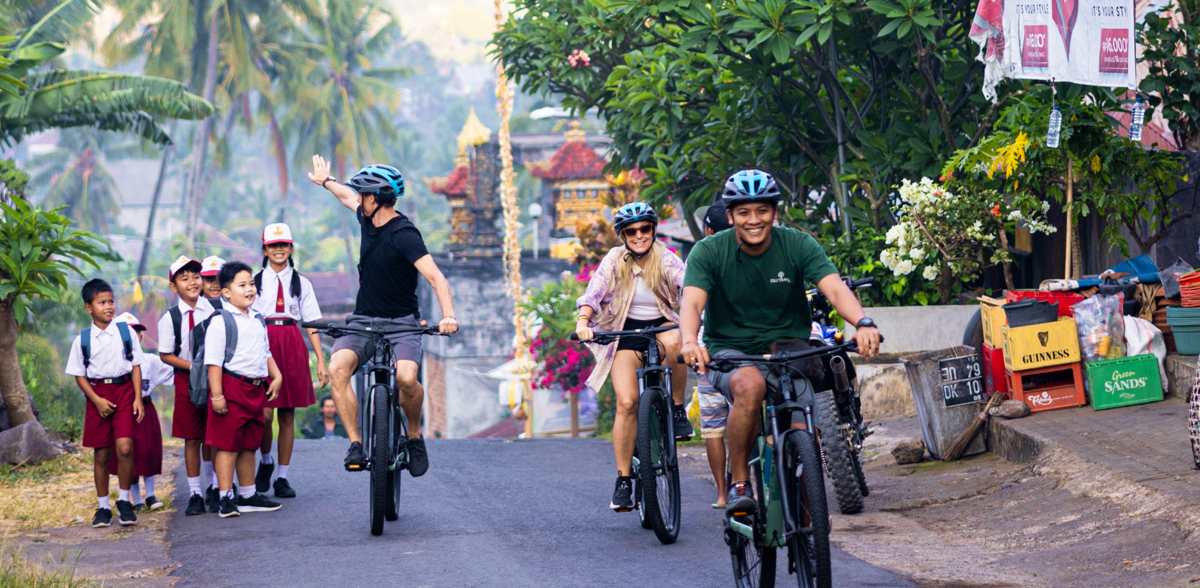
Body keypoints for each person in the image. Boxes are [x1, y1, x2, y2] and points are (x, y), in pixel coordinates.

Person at [678, 169, 881, 514]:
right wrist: (687, 341)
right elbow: (692, 302)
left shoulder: (798, 244)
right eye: (743, 212)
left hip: (788, 349)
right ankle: (741, 483)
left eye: (762, 211)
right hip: (731, 351)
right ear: (730, 216)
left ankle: (804, 507)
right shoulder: (708, 251)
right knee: (750, 384)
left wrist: (862, 322)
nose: (753, 220)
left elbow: (833, 287)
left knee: (802, 417)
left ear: (775, 212)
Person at [306, 156, 458, 476]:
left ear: (375, 198)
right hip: (363, 320)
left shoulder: (405, 235)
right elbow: (346, 196)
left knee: (405, 378)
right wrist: (326, 180)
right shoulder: (366, 215)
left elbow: (436, 278)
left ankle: (414, 438)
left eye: (363, 194)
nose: (358, 199)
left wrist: (448, 316)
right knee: (337, 368)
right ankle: (356, 443)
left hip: (402, 323)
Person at [574, 202, 689, 512]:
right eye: (631, 231)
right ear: (623, 235)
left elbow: (688, 284)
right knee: (626, 403)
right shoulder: (614, 260)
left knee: (678, 341)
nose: (639, 235)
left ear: (652, 230)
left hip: (663, 325)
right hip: (624, 332)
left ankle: (677, 410)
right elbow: (593, 293)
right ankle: (624, 479)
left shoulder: (665, 258)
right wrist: (583, 321)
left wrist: (699, 310)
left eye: (645, 229)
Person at [250, 222, 330, 498]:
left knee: (287, 414)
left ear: (291, 247)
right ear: (264, 249)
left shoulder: (302, 282)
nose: (278, 249)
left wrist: (320, 360)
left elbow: (311, 323)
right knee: (263, 412)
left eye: (283, 244)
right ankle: (266, 461)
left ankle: (282, 477)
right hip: (262, 342)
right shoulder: (253, 281)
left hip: (292, 341)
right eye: (273, 245)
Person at [204, 261, 284, 518]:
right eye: (242, 285)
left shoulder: (258, 319)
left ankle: (248, 494)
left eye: (251, 284)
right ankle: (226, 496)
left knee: (249, 443)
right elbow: (214, 363)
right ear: (226, 292)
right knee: (228, 446)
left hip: (255, 388)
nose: (250, 289)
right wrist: (217, 395)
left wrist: (277, 375)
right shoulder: (221, 321)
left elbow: (266, 352)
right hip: (231, 387)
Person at [65, 279, 145, 528]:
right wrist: (97, 400)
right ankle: (102, 507)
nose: (109, 307)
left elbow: (135, 366)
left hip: (124, 392)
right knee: (101, 454)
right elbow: (80, 375)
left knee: (125, 448)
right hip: (97, 394)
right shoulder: (83, 340)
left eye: (111, 302)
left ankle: (123, 501)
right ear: (89, 307)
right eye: (102, 303)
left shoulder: (126, 332)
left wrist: (138, 398)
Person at [157, 256, 218, 515]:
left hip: (213, 376)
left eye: (196, 277)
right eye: (185, 279)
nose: (192, 282)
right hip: (186, 379)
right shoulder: (170, 318)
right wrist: (193, 366)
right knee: (192, 437)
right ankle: (195, 492)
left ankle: (216, 486)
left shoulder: (215, 310)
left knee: (213, 435)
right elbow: (165, 354)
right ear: (174, 287)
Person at [108, 312, 172, 512]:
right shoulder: (114, 363)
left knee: (148, 450)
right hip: (123, 410)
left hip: (145, 407)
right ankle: (135, 499)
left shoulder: (150, 360)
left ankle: (151, 495)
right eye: (128, 333)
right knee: (128, 453)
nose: (134, 337)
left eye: (136, 332)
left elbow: (172, 370)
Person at [693, 201, 733, 508]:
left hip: (706, 352)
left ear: (708, 230)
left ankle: (722, 493)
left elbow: (690, 306)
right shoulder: (742, 257)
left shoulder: (703, 258)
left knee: (714, 428)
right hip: (745, 351)